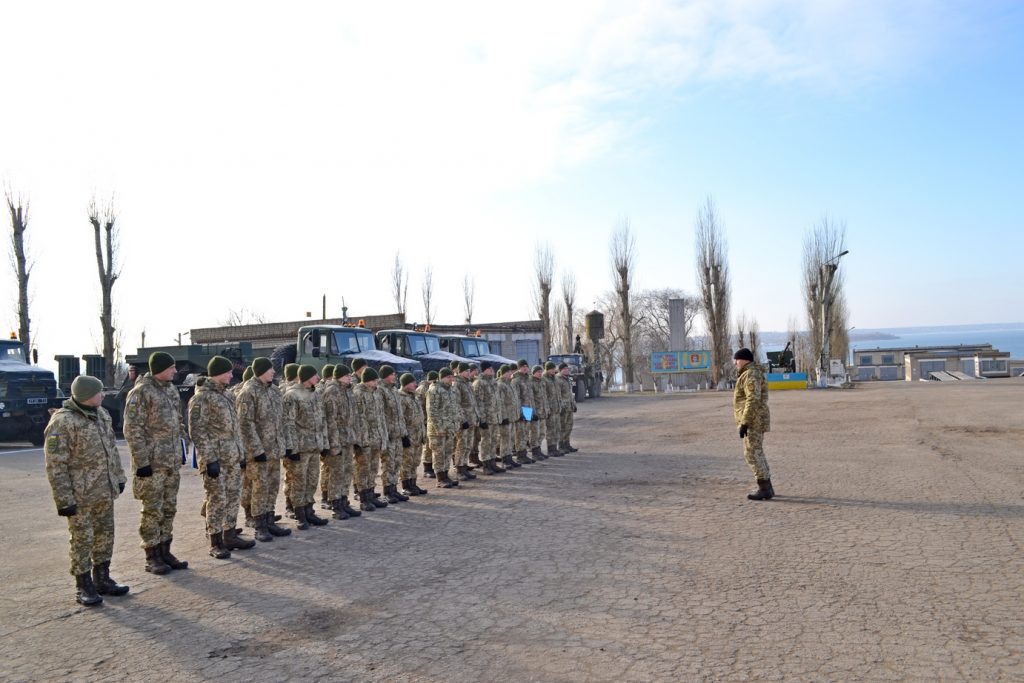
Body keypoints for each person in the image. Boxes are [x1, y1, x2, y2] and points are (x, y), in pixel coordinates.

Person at [44, 375, 129, 606]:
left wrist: (118, 477)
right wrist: (64, 500)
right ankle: (83, 586)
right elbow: (56, 464)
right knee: (82, 540)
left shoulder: (102, 414)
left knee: (105, 535)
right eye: (99, 392)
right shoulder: (63, 422)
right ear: (86, 395)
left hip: (103, 490)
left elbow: (111, 448)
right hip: (79, 496)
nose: (103, 395)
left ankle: (102, 579)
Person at [124, 352, 188, 574]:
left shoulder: (170, 389)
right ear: (159, 368)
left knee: (169, 508)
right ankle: (152, 556)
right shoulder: (141, 392)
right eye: (171, 368)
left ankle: (165, 550)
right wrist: (142, 463)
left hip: (170, 462)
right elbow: (132, 429)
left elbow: (178, 421)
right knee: (153, 510)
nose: (175, 371)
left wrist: (182, 445)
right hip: (152, 465)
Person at [188, 356, 255, 559]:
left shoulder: (226, 395)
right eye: (227, 372)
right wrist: (209, 460)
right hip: (216, 458)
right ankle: (215, 540)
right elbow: (197, 431)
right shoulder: (202, 398)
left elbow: (234, 429)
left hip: (232, 456)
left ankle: (230, 534)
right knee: (217, 499)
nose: (231, 375)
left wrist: (240, 453)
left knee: (233, 496)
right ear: (217, 373)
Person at [236, 357, 292, 542]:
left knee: (272, 486)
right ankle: (259, 525)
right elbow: (245, 424)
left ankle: (269, 520)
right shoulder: (248, 392)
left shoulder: (275, 391)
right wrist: (256, 449)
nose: (274, 372)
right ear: (260, 371)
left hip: (275, 450)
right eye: (270, 370)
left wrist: (285, 444)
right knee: (260, 488)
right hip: (258, 452)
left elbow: (282, 420)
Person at [281, 365, 329, 529]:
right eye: (315, 374)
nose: (318, 377)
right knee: (299, 482)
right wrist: (291, 448)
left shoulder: (315, 394)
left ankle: (309, 511)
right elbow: (288, 424)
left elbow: (322, 422)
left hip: (314, 446)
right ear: (307, 377)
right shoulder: (292, 395)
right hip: (300, 447)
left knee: (312, 481)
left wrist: (324, 443)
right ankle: (300, 514)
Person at [733, 348, 775, 501]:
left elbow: (752, 399)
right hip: (755, 419)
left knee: (752, 453)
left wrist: (745, 422)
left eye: (737, 360)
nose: (735, 363)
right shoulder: (750, 373)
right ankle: (767, 486)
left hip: (753, 420)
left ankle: (764, 488)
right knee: (756, 452)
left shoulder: (750, 374)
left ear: (744, 359)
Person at [320, 364, 361, 519]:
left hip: (348, 438)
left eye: (350, 376)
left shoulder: (348, 391)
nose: (350, 378)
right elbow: (330, 420)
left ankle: (344, 502)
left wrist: (355, 437)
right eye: (346, 376)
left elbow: (353, 416)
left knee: (347, 472)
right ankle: (336, 505)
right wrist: (334, 443)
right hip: (337, 440)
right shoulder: (332, 391)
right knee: (336, 474)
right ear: (338, 377)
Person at [352, 367, 390, 511]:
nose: (376, 383)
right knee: (363, 469)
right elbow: (357, 419)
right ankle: (363, 498)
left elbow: (381, 417)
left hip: (377, 438)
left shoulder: (376, 393)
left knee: (373, 469)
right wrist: (359, 440)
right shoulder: (358, 393)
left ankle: (371, 494)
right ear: (367, 381)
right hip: (365, 439)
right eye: (374, 380)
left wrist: (383, 436)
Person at [377, 365, 409, 503]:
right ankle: (387, 491)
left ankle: (394, 489)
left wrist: (404, 433)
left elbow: (399, 414)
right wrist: (385, 433)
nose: (394, 376)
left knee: (396, 462)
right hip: (389, 433)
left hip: (398, 433)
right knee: (388, 463)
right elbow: (381, 414)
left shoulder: (394, 390)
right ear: (385, 375)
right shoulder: (381, 390)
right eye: (392, 374)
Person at [426, 368, 461, 488]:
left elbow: (454, 408)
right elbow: (432, 411)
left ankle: (446, 475)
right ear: (442, 377)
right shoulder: (435, 389)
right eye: (448, 377)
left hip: (449, 428)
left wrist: (456, 423)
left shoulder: (450, 390)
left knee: (447, 452)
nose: (451, 379)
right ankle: (440, 478)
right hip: (438, 430)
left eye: (452, 377)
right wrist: (438, 427)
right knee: (439, 454)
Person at [398, 373, 428, 496]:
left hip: (418, 436)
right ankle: (406, 486)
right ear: (405, 384)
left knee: (415, 462)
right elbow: (400, 419)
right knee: (407, 462)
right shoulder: (401, 398)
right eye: (412, 382)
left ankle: (413, 483)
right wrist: (404, 435)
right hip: (409, 436)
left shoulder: (414, 397)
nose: (415, 384)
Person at [473, 362, 504, 474]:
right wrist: (482, 419)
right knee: (486, 441)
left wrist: (499, 415)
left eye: (492, 368)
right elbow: (478, 402)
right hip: (486, 418)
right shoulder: (479, 383)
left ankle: (492, 463)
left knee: (493, 440)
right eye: (489, 369)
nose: (492, 370)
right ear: (484, 370)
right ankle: (486, 465)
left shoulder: (493, 382)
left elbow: (498, 401)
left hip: (495, 417)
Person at [454, 362, 479, 481]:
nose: (469, 373)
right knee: (461, 445)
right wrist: (462, 420)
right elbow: (457, 404)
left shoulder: (468, 384)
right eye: (467, 371)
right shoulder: (457, 384)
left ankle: (464, 467)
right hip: (463, 422)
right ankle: (459, 469)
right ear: (460, 372)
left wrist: (476, 416)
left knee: (468, 445)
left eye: (469, 371)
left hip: (471, 420)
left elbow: (473, 403)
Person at [511, 360, 536, 464]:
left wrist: (533, 410)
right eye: (523, 366)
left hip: (528, 409)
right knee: (520, 433)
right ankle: (520, 455)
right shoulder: (516, 380)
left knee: (525, 432)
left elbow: (530, 396)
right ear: (518, 368)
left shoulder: (528, 379)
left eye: (526, 366)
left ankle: (524, 454)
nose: (525, 368)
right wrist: (520, 412)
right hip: (522, 410)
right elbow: (516, 398)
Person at [416, 371, 438, 478]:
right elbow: (419, 406)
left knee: (431, 445)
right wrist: (423, 420)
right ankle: (427, 468)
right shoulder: (422, 389)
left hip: (429, 420)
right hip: (425, 421)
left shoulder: (431, 388)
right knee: (427, 446)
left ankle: (431, 467)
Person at [556, 363, 579, 453]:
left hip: (569, 406)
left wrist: (574, 404)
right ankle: (561, 445)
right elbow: (557, 395)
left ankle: (567, 444)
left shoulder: (567, 379)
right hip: (563, 408)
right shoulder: (558, 380)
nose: (566, 370)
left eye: (567, 369)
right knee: (562, 426)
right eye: (564, 369)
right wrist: (560, 407)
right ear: (560, 370)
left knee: (569, 426)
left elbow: (570, 394)